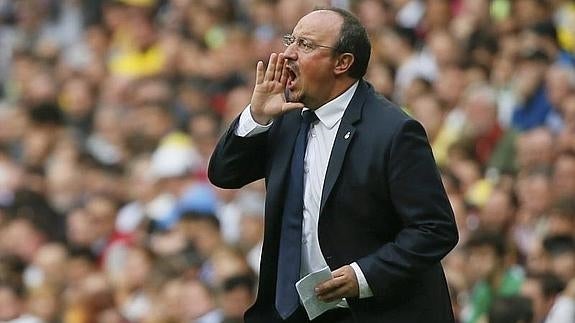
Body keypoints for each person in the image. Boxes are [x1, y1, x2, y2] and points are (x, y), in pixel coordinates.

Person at [208, 7, 458, 323]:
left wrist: (363, 276)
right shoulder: (284, 115)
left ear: (342, 63)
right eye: (291, 40)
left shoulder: (393, 131)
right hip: (295, 312)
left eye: (306, 45)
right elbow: (224, 174)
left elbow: (435, 229)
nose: (287, 54)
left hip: (373, 311)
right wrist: (256, 116)